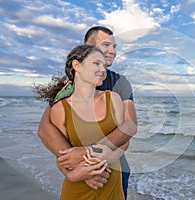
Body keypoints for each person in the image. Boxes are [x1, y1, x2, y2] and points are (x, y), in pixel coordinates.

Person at [37, 26, 137, 199]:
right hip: (81, 176)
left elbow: (129, 125)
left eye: (114, 47)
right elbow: (46, 129)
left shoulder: (119, 83)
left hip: (113, 168)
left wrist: (88, 153)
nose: (112, 51)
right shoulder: (67, 87)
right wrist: (77, 170)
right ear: (87, 47)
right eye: (106, 45)